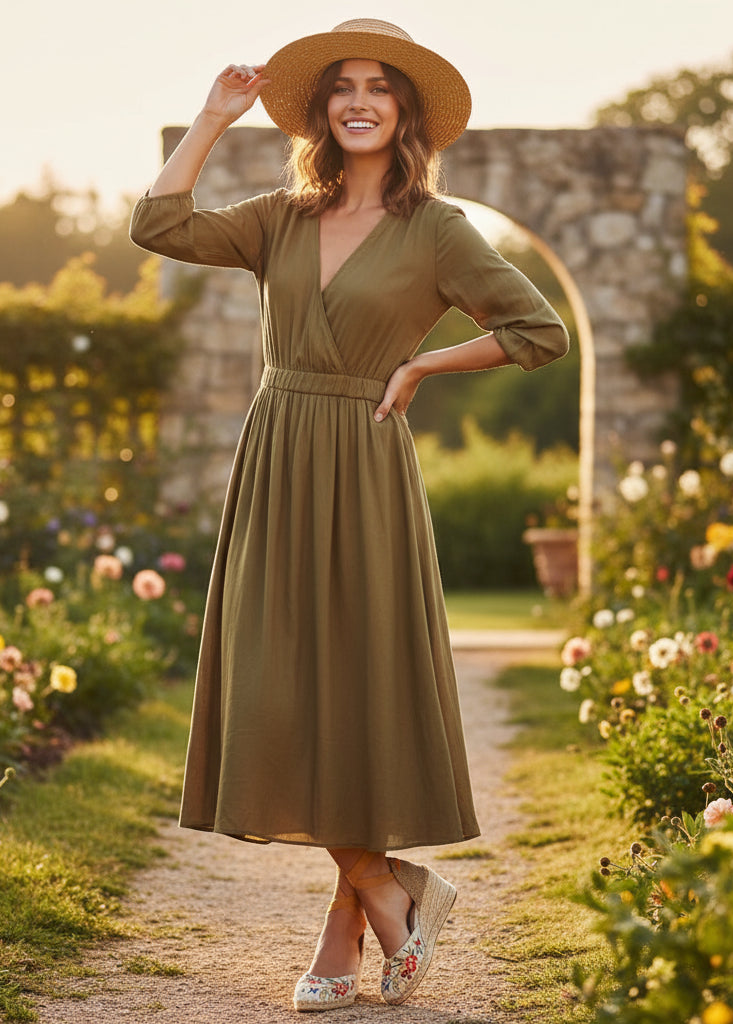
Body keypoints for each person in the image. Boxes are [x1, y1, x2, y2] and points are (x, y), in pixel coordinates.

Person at [129, 18, 569, 1012]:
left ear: (405, 112)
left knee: (353, 696)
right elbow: (157, 227)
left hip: (365, 468)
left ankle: (345, 931)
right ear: (323, 109)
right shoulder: (279, 218)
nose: (359, 101)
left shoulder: (439, 230)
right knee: (275, 696)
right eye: (343, 87)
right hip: (277, 459)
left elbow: (538, 330)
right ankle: (381, 885)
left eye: (379, 87)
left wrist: (424, 364)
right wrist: (212, 117)